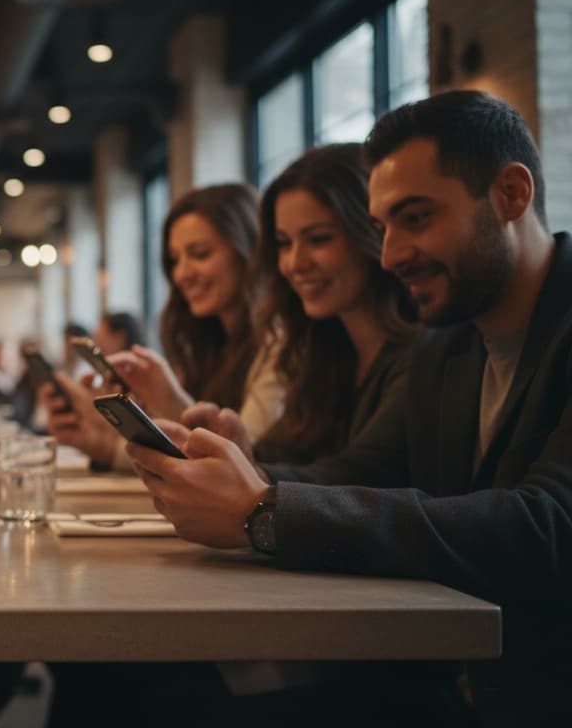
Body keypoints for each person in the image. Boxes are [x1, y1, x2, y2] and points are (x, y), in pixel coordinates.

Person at [128, 90, 572, 724]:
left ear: (511, 195)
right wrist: (236, 469)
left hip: (531, 697)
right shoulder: (447, 349)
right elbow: (360, 470)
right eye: (383, 226)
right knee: (142, 690)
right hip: (439, 684)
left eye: (415, 219)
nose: (390, 255)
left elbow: (545, 526)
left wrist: (260, 509)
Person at [42, 184, 283, 467]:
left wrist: (172, 402)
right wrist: (98, 440)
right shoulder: (205, 344)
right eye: (175, 260)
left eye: (200, 253)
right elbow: (180, 454)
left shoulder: (280, 342)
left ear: (250, 251)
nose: (181, 274)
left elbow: (245, 464)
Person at [247, 142, 418, 464]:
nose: (295, 263)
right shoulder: (324, 354)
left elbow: (357, 477)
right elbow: (273, 458)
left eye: (319, 239)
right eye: (284, 243)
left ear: (372, 234)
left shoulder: (420, 354)